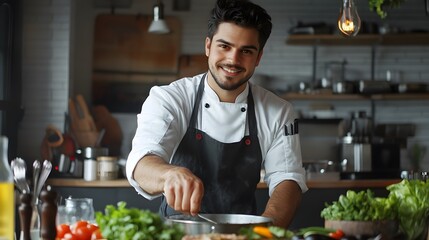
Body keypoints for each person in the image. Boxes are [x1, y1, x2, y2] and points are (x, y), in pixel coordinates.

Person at [126, 0, 307, 228]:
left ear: (259, 57)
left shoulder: (278, 112)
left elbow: (287, 181)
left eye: (246, 51)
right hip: (177, 234)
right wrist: (169, 175)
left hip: (242, 235)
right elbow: (141, 162)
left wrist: (264, 234)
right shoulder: (170, 98)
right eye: (225, 46)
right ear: (208, 46)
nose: (233, 59)